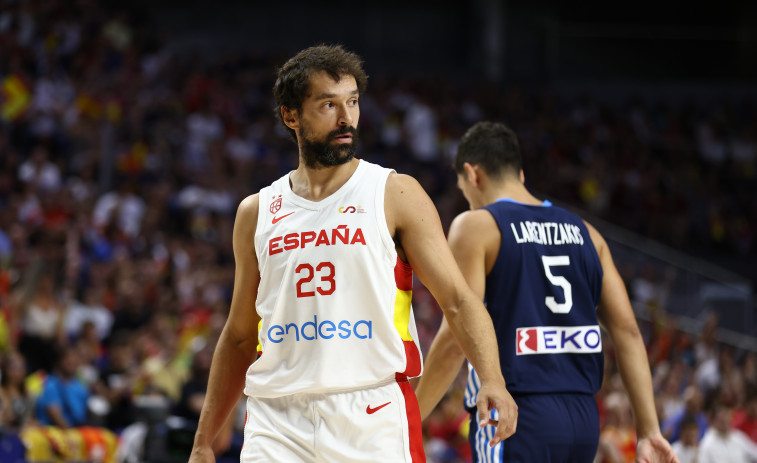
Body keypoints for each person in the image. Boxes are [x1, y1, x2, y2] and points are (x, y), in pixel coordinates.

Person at [188, 45, 516, 463]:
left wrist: (492, 378)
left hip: (371, 414)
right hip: (276, 422)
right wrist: (203, 441)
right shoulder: (256, 212)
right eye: (328, 104)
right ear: (291, 115)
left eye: (353, 102)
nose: (347, 119)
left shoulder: (393, 192)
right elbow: (238, 335)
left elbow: (457, 298)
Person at [414, 121, 677, 462]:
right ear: (520, 175)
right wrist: (649, 431)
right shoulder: (588, 234)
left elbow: (455, 336)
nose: (468, 200)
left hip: (515, 415)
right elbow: (627, 331)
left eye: (465, 190)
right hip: (583, 421)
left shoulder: (476, 226)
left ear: (472, 174)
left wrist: (409, 420)